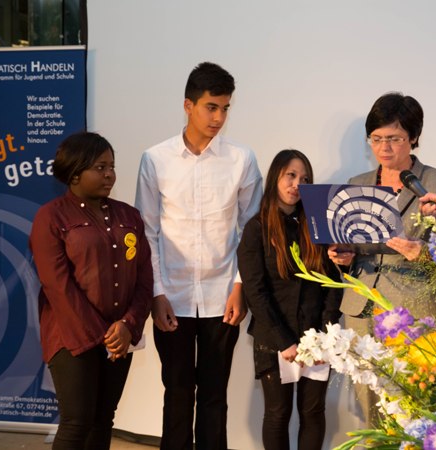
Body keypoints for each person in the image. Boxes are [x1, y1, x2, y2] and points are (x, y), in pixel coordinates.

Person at [135, 61, 263, 449]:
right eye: (212, 106)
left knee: (213, 397)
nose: (219, 117)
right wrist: (156, 294)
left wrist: (240, 288)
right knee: (176, 393)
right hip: (170, 296)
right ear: (188, 105)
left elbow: (250, 231)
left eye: (226, 108)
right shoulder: (155, 159)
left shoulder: (242, 159)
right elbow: (147, 232)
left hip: (222, 296)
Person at [328, 92, 436, 425]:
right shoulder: (357, 183)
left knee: (415, 410)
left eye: (394, 139)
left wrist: (422, 252)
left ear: (413, 138)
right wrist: (342, 256)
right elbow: (354, 245)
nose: (384, 147)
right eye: (376, 139)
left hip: (414, 309)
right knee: (369, 409)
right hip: (361, 309)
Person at [30, 131, 153, 449]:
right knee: (77, 422)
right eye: (100, 167)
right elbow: (57, 285)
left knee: (103, 420)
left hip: (119, 337)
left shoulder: (129, 216)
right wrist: (104, 336)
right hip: (71, 339)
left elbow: (144, 278)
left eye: (112, 166)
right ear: (74, 173)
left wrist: (127, 326)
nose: (110, 174)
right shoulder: (51, 217)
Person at [237, 150, 342, 450]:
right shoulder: (256, 229)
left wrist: (326, 334)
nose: (297, 184)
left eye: (304, 178)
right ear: (275, 178)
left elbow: (333, 282)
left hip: (316, 334)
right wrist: (284, 340)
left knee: (313, 412)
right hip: (274, 337)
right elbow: (255, 292)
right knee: (277, 413)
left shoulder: (318, 226)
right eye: (291, 176)